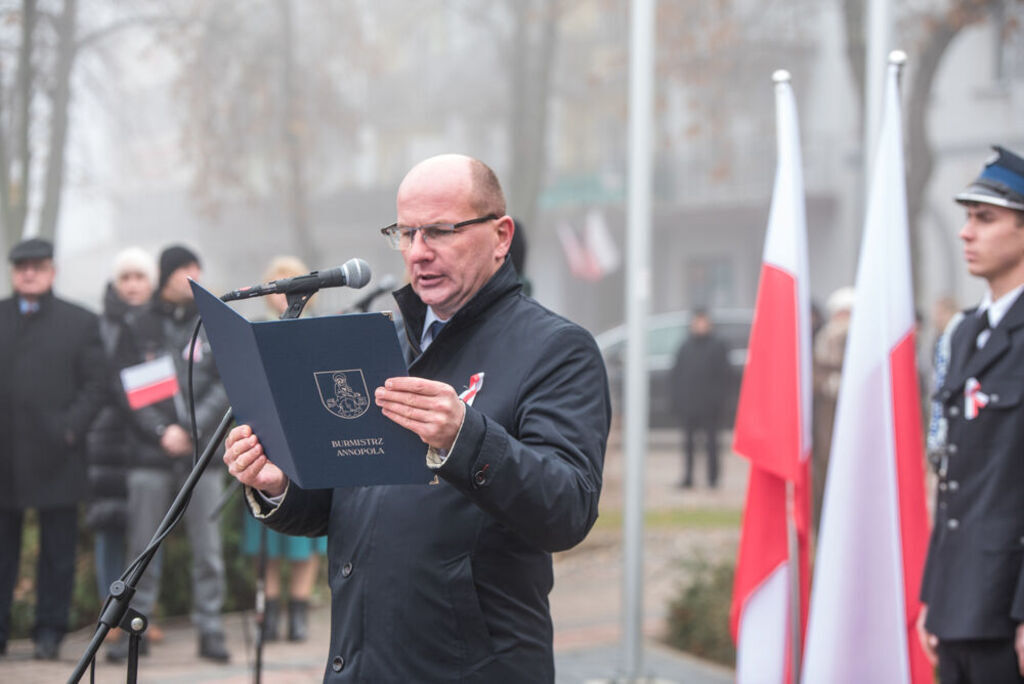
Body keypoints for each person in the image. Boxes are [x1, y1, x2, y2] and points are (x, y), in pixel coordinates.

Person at [223, 153, 610, 681]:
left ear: (500, 236)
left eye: (440, 231)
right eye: (405, 233)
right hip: (361, 664)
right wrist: (280, 484)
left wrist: (464, 438)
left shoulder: (557, 349)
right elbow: (353, 501)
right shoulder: (383, 339)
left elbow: (568, 508)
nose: (418, 253)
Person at [918, 145, 1024, 683]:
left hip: (1009, 606)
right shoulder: (962, 333)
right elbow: (953, 478)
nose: (966, 232)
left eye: (986, 218)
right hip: (960, 598)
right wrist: (934, 593)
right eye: (966, 218)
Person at [108, 244, 231, 663]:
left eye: (196, 268)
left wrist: (192, 429)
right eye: (182, 270)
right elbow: (127, 388)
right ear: (165, 277)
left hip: (203, 458)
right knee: (142, 550)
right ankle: (132, 632)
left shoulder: (213, 320)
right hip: (150, 456)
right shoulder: (140, 325)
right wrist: (163, 431)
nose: (191, 276)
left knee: (209, 550)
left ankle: (211, 629)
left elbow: (227, 382)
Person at [0, 238, 106, 659]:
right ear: (13, 271)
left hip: (58, 457)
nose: (28, 272)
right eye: (21, 266)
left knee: (58, 553)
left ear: (52, 271)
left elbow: (97, 385)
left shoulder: (80, 322)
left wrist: (69, 430)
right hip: (3, 458)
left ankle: (49, 633)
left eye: (37, 266)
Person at [240, 255, 327, 642]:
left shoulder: (321, 331)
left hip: (311, 439)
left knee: (306, 543)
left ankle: (299, 613)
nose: (285, 291)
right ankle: (270, 614)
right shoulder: (256, 331)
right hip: (268, 443)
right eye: (278, 282)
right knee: (270, 540)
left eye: (293, 281)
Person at [84, 248, 156, 633]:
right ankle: (108, 618)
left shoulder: (159, 322)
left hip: (149, 438)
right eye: (125, 277)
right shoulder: (98, 326)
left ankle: (143, 613)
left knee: (148, 530)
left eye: (139, 277)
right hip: (109, 438)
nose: (132, 285)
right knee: (110, 526)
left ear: (151, 282)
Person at [669, 308, 731, 488]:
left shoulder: (718, 346)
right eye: (697, 322)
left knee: (712, 444)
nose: (700, 325)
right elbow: (676, 375)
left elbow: (725, 377)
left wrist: (720, 401)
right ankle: (688, 477)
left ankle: (713, 478)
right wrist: (677, 401)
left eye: (703, 322)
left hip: (710, 407)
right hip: (689, 406)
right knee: (688, 445)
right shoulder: (685, 347)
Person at [811, 286, 854, 531]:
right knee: (826, 469)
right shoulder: (825, 338)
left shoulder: (861, 338)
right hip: (827, 412)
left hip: (851, 413)